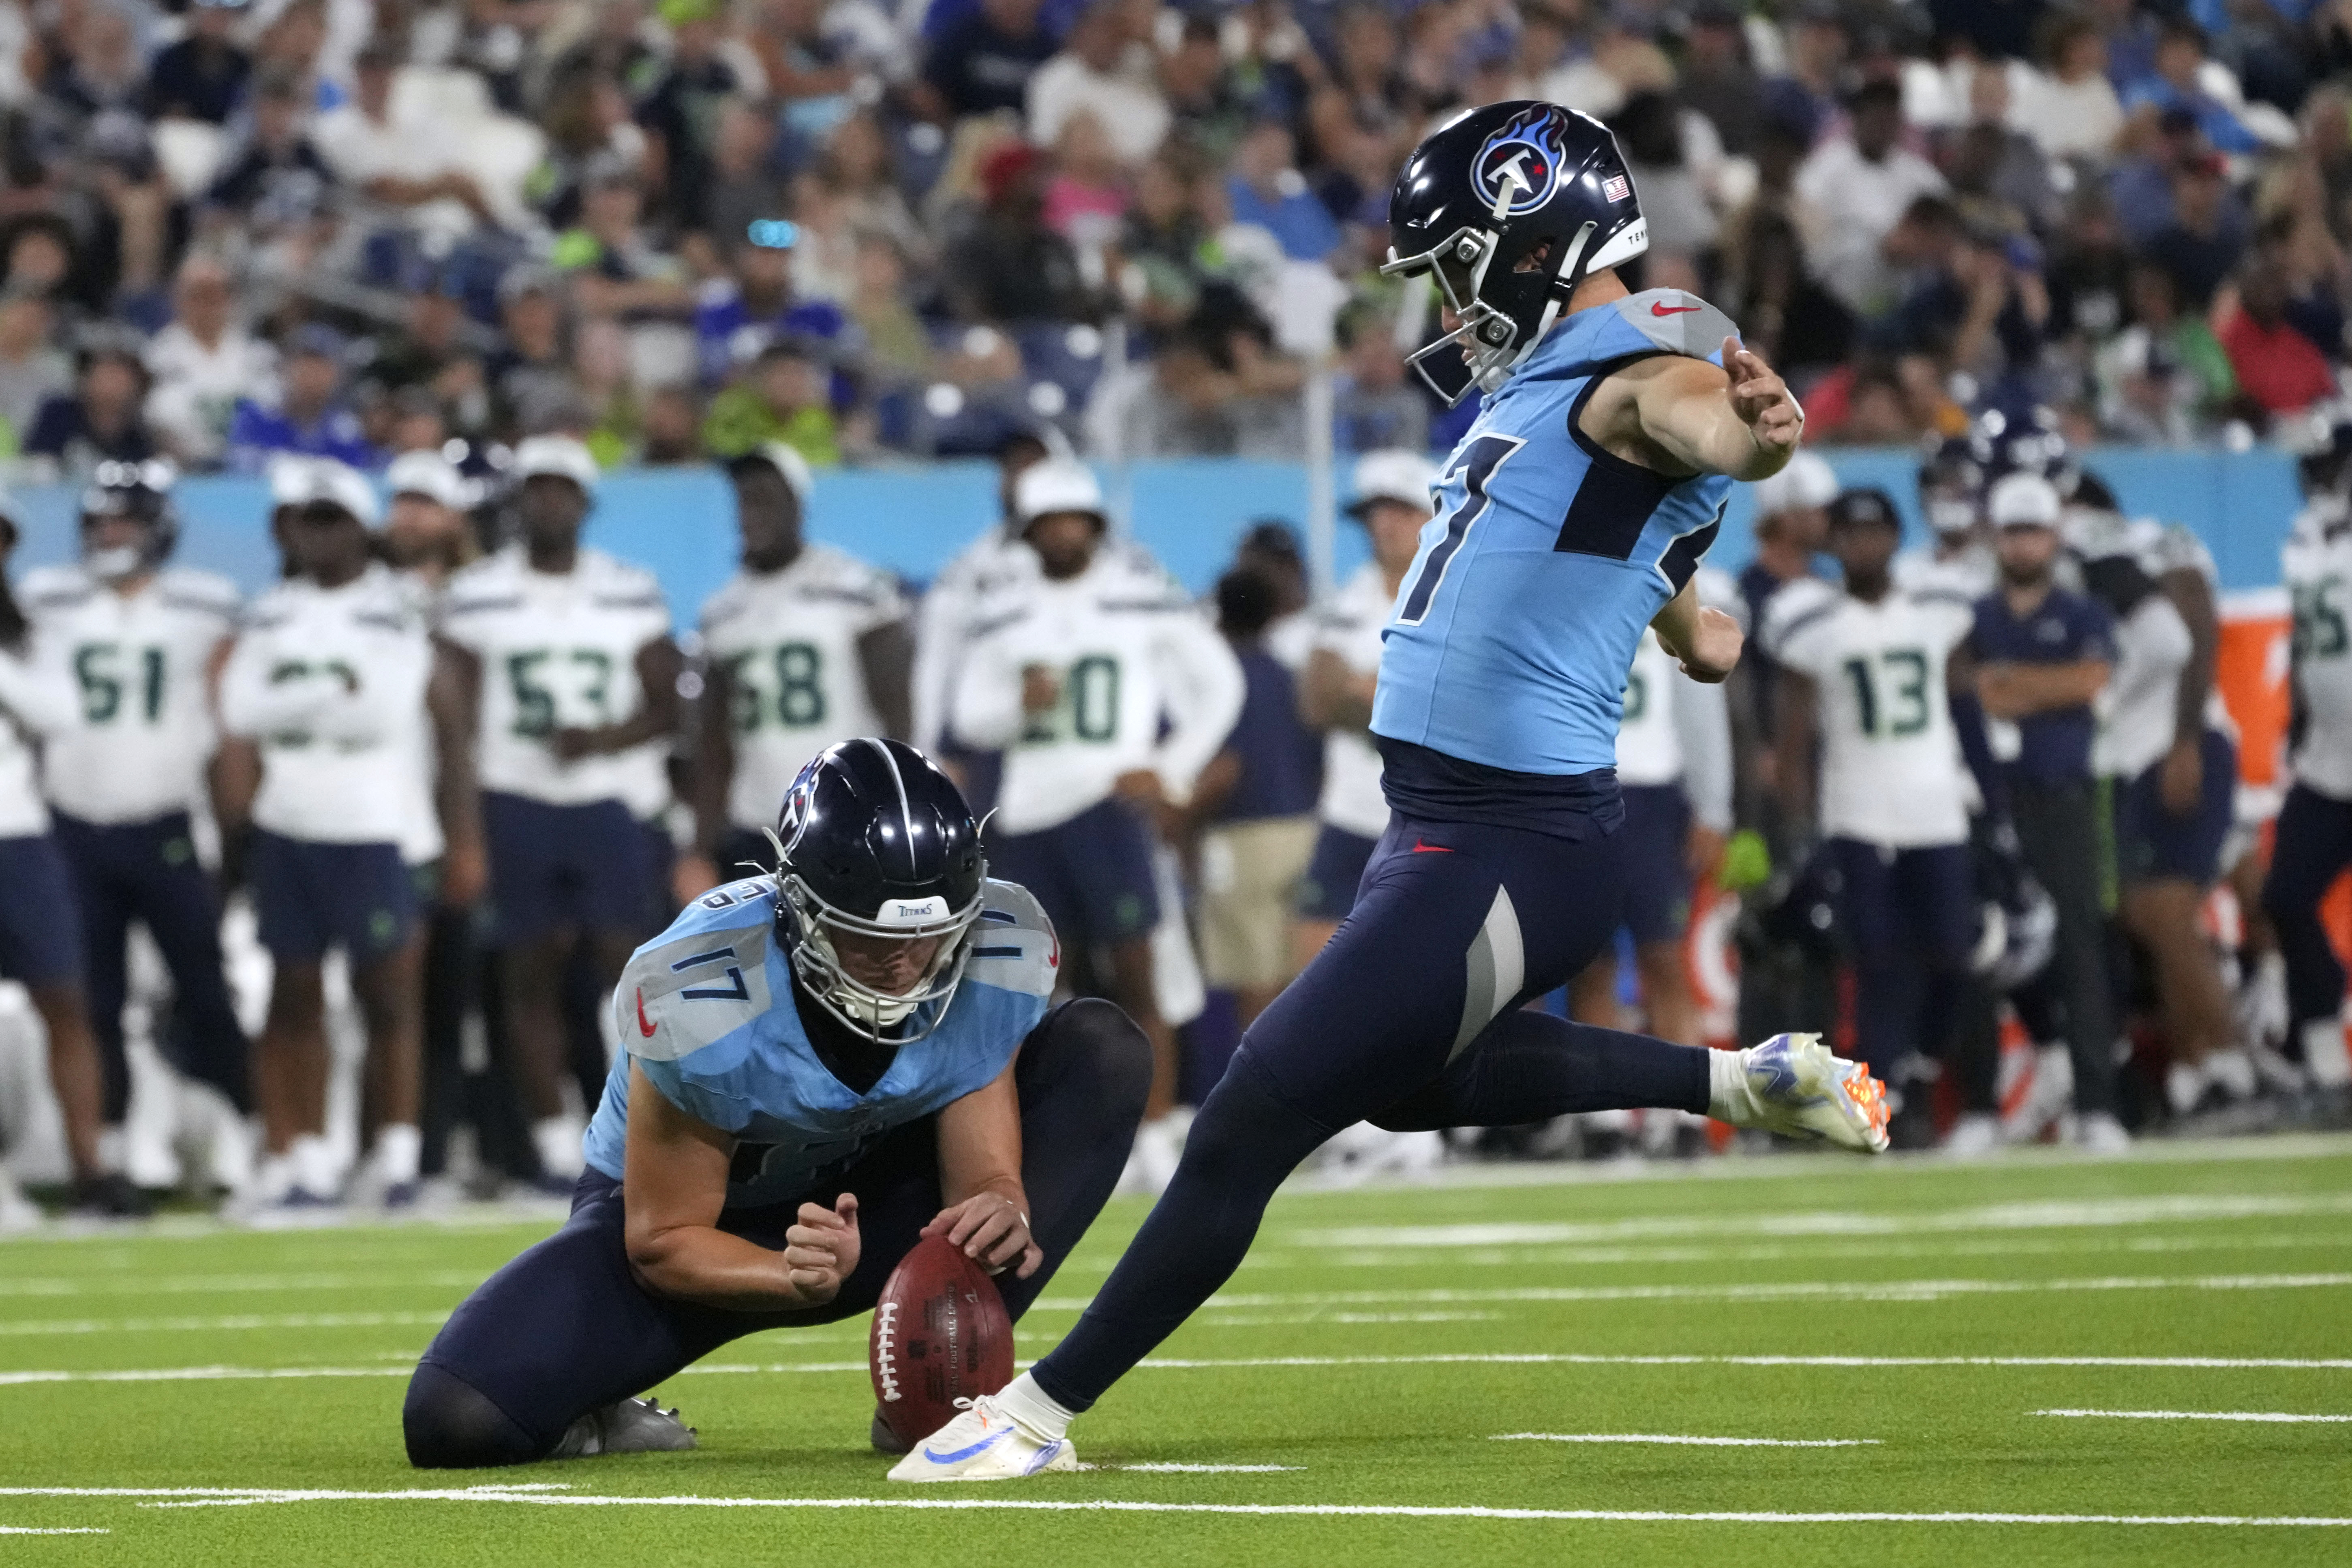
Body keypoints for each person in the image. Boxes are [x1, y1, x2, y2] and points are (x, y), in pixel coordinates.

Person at [896, 100, 1885, 1483]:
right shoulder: (1550, 380)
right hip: (1448, 815)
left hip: (1511, 834)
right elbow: (1624, 522)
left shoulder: (1643, 346)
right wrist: (1685, 615)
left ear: (1531, 237)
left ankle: (1036, 1408)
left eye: (1455, 261)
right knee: (1410, 1088)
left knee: (1254, 1106)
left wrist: (1758, 439)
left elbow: (1693, 422)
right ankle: (1742, 1073)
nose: (1444, 297)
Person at [401, 739, 1151, 1467]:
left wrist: (1002, 1199)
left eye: (928, 938)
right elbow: (662, 1237)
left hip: (874, 1201)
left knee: (1101, 1051)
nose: (902, 964)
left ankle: (940, 1396)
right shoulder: (702, 987)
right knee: (457, 1418)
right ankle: (599, 1402)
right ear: (800, 909)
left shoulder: (997, 945)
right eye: (867, 939)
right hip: (703, 1228)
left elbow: (981, 1160)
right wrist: (784, 1273)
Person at [950, 458, 1244, 1192]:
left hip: (1107, 807)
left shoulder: (1137, 592)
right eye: (1046, 522)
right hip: (1028, 811)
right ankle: (1080, 1136)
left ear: (1093, 524)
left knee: (1137, 972)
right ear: (1028, 531)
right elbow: (967, 715)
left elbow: (1219, 682)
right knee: (1048, 990)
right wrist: (1021, 704)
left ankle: (1152, 1129)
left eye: (1071, 519)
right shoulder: (1006, 606)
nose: (1060, 533)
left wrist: (1169, 766)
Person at [217, 460, 481, 1206]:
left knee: (389, 992)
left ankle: (394, 1153)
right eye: (307, 518)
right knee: (293, 991)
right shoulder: (270, 610)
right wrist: (331, 688)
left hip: (374, 821)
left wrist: (291, 699)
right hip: (286, 817)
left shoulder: (396, 609)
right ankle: (302, 1154)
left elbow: (384, 712)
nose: (317, 532)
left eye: (332, 518)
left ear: (361, 529)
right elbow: (239, 711)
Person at [439, 436, 681, 1189]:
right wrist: (464, 827)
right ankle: (553, 1142)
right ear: (517, 500)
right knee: (529, 974)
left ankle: (637, 1128)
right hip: (512, 794)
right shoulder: (476, 591)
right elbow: (456, 722)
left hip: (608, 799)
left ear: (583, 502)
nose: (547, 502)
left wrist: (600, 736)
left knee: (629, 968)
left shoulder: (628, 587)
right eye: (535, 488)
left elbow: (668, 702)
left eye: (561, 488)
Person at [20, 462, 251, 1194]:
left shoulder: (206, 605)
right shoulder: (45, 598)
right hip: (71, 823)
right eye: (100, 521)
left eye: (125, 520)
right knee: (94, 993)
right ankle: (111, 1146)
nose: (110, 534)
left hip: (167, 824)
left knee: (205, 988)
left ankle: (236, 1135)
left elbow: (229, 708)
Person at [1766, 487, 1978, 1147]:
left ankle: (1916, 1067)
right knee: (1876, 960)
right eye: (1850, 535)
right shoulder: (1811, 621)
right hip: (1855, 810)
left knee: (1951, 950)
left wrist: (1990, 804)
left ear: (1893, 536)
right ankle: (1879, 1096)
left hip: (1936, 805)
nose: (1863, 546)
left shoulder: (1937, 608)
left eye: (1874, 533)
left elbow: (1965, 707)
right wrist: (1798, 830)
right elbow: (1795, 737)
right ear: (1834, 542)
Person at [1962, 472, 2128, 1151]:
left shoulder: (2082, 611)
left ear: (2053, 536)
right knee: (1982, 945)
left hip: (2063, 795)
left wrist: (2013, 685)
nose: (2023, 542)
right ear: (1995, 536)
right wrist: (2045, 688)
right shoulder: (1975, 617)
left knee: (2081, 947)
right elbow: (1976, 694)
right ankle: (1980, 1107)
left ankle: (2097, 1105)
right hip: (1992, 798)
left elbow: (2089, 681)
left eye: (2033, 529)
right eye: (2013, 529)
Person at [680, 443, 913, 893]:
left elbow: (899, 715)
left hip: (845, 817)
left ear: (798, 504)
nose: (752, 513)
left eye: (766, 498)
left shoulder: (855, 589)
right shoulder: (721, 610)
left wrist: (896, 811)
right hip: (757, 822)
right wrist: (700, 846)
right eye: (745, 500)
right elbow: (714, 741)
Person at [0, 499, 143, 1215]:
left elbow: (60, 713)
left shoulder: (28, 633)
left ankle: (91, 1167)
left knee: (66, 998)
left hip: (20, 830)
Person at [1294, 450, 1432, 965]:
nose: (1384, 525)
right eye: (1377, 513)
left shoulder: (1458, 597)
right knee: (1312, 968)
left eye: (1401, 511)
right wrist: (1406, 705)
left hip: (1432, 818)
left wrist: (1372, 691)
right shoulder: (1346, 602)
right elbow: (1316, 701)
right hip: (1351, 812)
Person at [1188, 566, 1320, 1030]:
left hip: (1242, 838)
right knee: (1296, 971)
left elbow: (1225, 770)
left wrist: (1179, 823)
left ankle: (1261, 1094)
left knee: (1255, 977)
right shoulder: (1288, 674)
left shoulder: (1221, 676)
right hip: (1303, 832)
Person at [2264, 499, 2352, 1106]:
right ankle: (2323, 1053)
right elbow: (2305, 655)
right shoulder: (2311, 539)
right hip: (2326, 763)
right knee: (2285, 897)